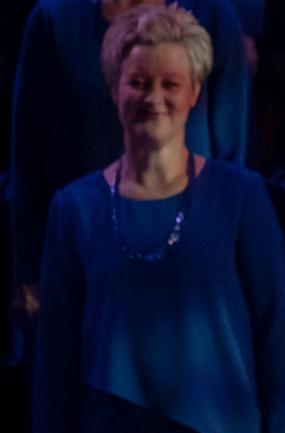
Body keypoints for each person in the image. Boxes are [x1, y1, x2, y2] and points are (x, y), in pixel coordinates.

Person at [35, 3, 285, 433]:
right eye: (138, 82)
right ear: (114, 89)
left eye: (170, 83)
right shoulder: (74, 208)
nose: (153, 98)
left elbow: (275, 330)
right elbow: (56, 351)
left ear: (194, 92)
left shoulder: (242, 197)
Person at [11, 0, 248, 340]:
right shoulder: (55, 21)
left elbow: (231, 157)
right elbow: (28, 158)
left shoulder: (213, 17)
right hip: (82, 264)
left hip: (186, 269)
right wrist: (28, 270)